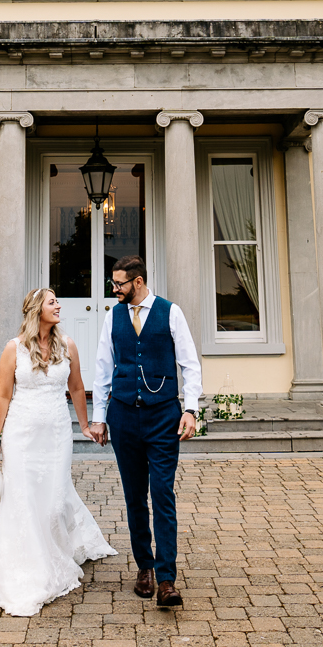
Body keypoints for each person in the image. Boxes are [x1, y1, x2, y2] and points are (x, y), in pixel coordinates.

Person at [0, 287, 116, 616]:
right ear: (35, 310)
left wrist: (85, 425)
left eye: (58, 300)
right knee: (25, 499)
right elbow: (2, 397)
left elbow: (76, 388)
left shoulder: (67, 345)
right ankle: (32, 565)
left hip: (57, 434)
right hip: (21, 435)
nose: (59, 306)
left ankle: (55, 546)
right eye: (52, 302)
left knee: (54, 501)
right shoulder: (13, 349)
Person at [84, 255, 201, 608]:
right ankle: (144, 569)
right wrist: (100, 417)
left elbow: (189, 363)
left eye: (118, 283)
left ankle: (167, 579)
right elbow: (103, 369)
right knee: (135, 497)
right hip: (123, 418)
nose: (114, 289)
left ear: (137, 282)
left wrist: (191, 410)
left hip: (163, 416)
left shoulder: (171, 312)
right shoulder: (112, 316)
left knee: (163, 495)